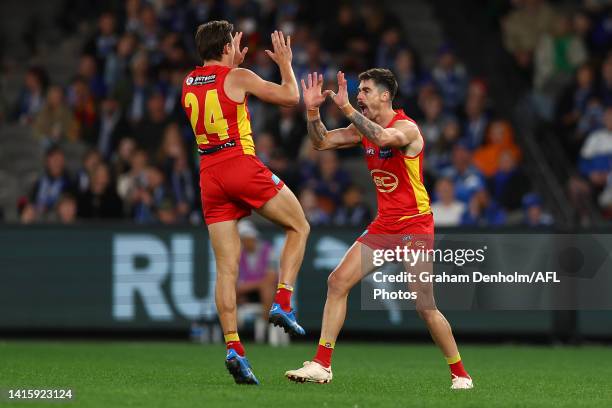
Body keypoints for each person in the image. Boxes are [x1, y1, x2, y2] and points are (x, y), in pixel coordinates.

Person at [285, 69, 473, 389]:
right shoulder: (362, 129)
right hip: (384, 226)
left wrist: (346, 109)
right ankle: (322, 363)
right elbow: (322, 142)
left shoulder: (407, 128)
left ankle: (460, 374)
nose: (360, 96)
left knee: (424, 305)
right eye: (359, 91)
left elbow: (384, 138)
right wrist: (313, 111)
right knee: (337, 281)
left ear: (386, 96)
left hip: (414, 226)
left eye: (366, 90)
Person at [181, 21, 309, 385]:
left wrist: (230, 61)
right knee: (299, 226)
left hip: (209, 174)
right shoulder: (237, 77)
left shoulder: (188, 81)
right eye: (234, 43)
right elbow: (290, 97)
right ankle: (283, 300)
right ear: (226, 47)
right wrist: (285, 62)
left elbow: (215, 86)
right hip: (238, 162)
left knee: (226, 268)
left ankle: (234, 348)